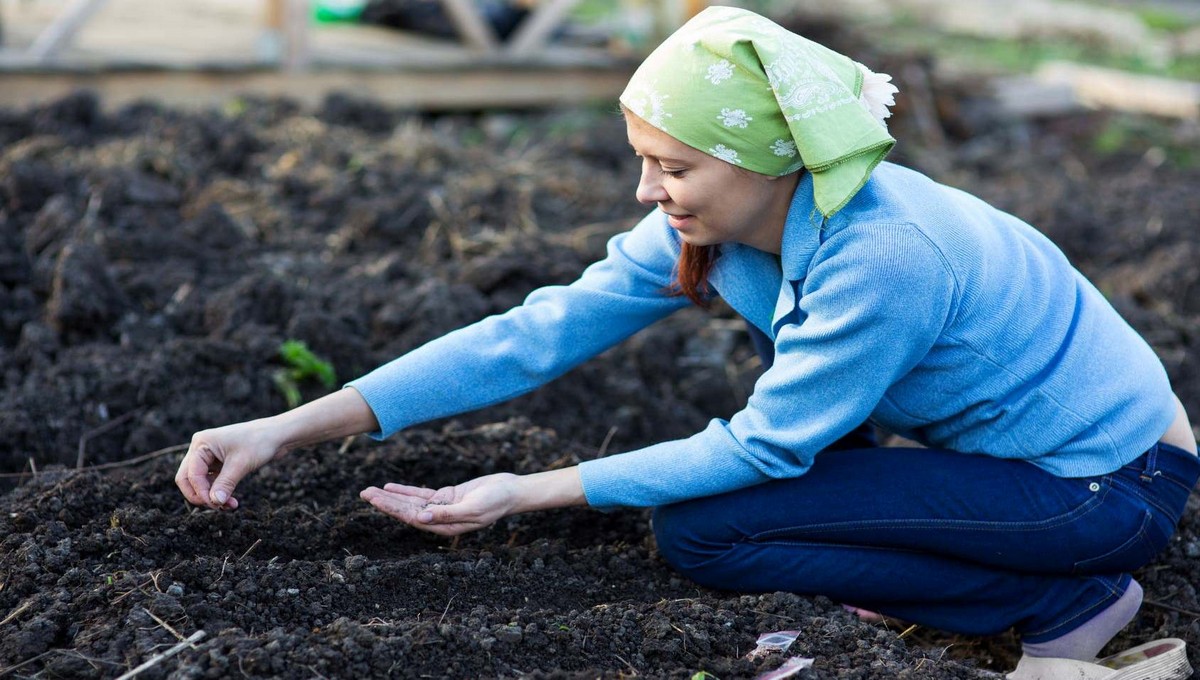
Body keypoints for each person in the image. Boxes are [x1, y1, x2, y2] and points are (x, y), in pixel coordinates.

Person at [175, 7, 1199, 680]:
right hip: (994, 460)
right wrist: (288, 424)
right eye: (641, 160)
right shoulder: (721, 227)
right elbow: (533, 334)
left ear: (768, 162)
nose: (644, 192)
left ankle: (1070, 597)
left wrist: (524, 486)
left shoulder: (887, 252)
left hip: (1104, 485)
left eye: (669, 166)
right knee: (726, 504)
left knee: (705, 532)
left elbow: (765, 445)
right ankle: (946, 564)